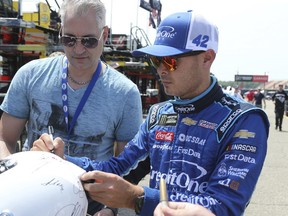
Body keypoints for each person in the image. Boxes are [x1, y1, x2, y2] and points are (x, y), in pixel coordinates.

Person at [32, 10, 270, 216]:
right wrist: (63, 161)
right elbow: (117, 167)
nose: (161, 70)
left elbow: (224, 207)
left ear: (207, 58)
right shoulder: (158, 115)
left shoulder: (243, 120)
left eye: (170, 61)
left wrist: (137, 199)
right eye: (156, 60)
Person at [0, 0, 143, 215]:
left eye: (88, 41)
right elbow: (4, 139)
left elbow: (128, 167)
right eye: (69, 39)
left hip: (92, 205)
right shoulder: (30, 75)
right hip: (31, 199)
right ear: (61, 32)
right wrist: (12, 178)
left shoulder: (125, 94)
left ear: (104, 35)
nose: (78, 49)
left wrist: (111, 210)